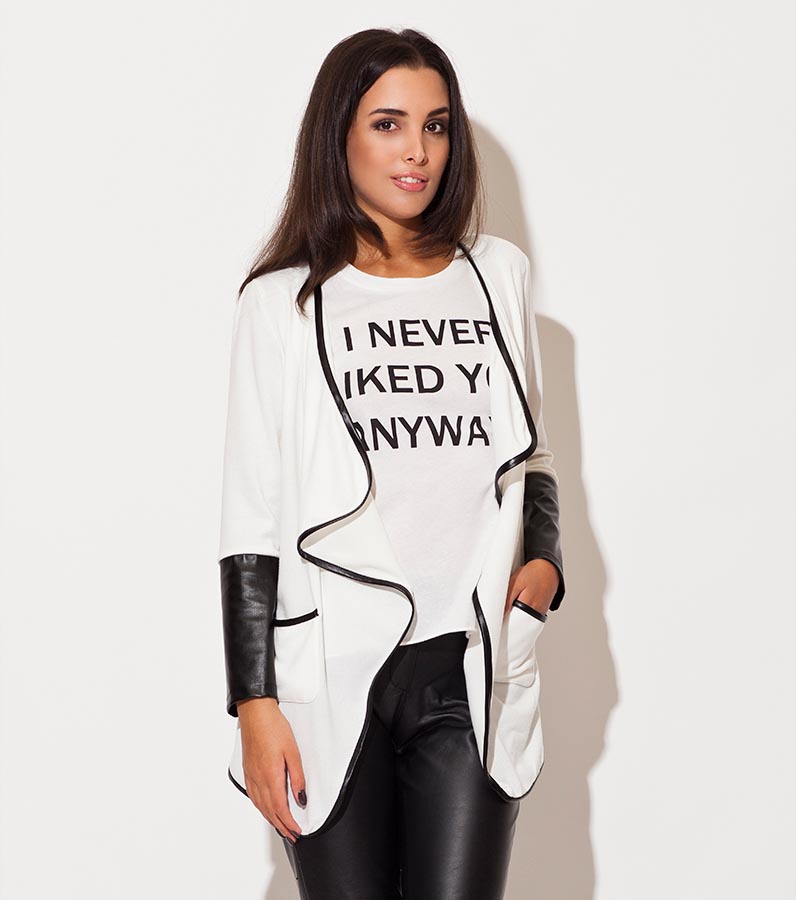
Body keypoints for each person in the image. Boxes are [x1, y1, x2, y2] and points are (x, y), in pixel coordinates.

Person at [217, 27, 566, 900]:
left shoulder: (498, 276)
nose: (418, 150)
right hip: (330, 666)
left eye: (436, 125)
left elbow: (533, 451)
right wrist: (254, 702)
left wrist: (545, 564)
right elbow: (250, 513)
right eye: (388, 124)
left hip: (470, 661)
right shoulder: (282, 302)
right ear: (337, 136)